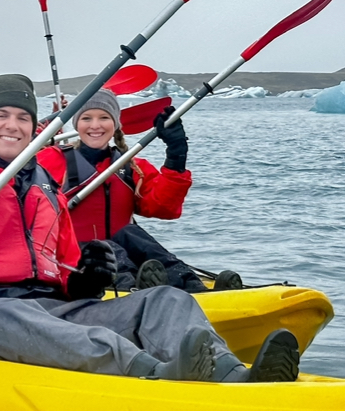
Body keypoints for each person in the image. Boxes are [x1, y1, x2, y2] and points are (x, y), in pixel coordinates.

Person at [0, 74, 299, 383]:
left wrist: (88, 279)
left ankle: (232, 376)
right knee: (3, 312)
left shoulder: (45, 189)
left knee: (164, 300)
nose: (12, 125)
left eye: (23, 117)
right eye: (0, 115)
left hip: (46, 310)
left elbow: (66, 274)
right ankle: (153, 376)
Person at [37, 91, 240, 293]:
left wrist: (176, 155)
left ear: (115, 124)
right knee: (108, 248)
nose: (95, 125)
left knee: (131, 234)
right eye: (86, 118)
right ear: (76, 125)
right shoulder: (51, 160)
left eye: (104, 118)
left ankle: (192, 285)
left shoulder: (130, 166)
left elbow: (163, 207)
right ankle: (134, 290)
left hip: (122, 250)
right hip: (76, 259)